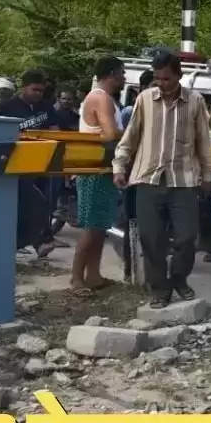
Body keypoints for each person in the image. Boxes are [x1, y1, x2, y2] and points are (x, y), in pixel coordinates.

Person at [112, 51, 211, 309]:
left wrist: (207, 175)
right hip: (148, 179)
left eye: (167, 79)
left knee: (187, 237)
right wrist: (119, 166)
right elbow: (130, 137)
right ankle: (159, 289)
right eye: (157, 78)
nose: (161, 83)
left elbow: (204, 142)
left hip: (184, 181)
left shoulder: (195, 102)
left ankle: (179, 279)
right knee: (151, 238)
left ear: (179, 76)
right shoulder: (145, 100)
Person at [70, 57, 124, 296]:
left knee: (101, 225)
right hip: (93, 169)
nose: (124, 79)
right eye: (122, 74)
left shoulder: (106, 98)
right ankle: (76, 278)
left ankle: (93, 275)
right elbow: (111, 133)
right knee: (92, 226)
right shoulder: (99, 98)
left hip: (104, 169)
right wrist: (135, 133)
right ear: (112, 74)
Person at [0, 69, 61, 258]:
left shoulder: (46, 107)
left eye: (41, 91)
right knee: (31, 202)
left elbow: (56, 131)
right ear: (24, 87)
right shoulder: (7, 108)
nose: (38, 94)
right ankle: (38, 241)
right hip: (17, 164)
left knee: (45, 203)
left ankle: (34, 241)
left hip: (43, 163)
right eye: (35, 90)